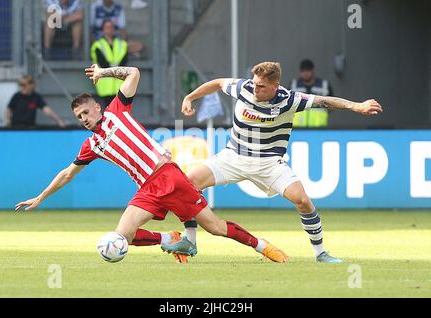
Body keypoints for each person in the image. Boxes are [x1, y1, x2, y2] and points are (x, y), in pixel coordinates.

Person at [14, 64, 289, 265]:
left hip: (168, 176)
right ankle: (169, 239)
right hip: (146, 188)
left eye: (86, 111)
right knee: (124, 236)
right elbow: (67, 174)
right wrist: (40, 197)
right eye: (79, 116)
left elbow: (134, 72)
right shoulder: (91, 145)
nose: (84, 118)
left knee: (215, 228)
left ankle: (262, 247)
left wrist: (104, 72)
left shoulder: (117, 111)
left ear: (97, 107)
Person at [163, 61, 383, 263]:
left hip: (268, 163)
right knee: (188, 183)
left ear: (275, 86)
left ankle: (321, 253)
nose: (255, 89)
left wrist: (356, 106)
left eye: (261, 87)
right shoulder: (244, 88)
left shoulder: (289, 100)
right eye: (255, 84)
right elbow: (219, 83)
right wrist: (190, 97)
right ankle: (189, 240)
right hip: (233, 156)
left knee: (303, 201)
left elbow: (324, 101)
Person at [91, 19, 128, 109]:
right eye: (107, 27)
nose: (109, 29)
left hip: (120, 84)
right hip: (106, 85)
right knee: (109, 110)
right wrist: (116, 68)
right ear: (103, 29)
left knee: (121, 111)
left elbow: (124, 61)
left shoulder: (122, 44)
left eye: (111, 27)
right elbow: (103, 64)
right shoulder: (97, 45)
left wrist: (112, 67)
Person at [290, 59, 333, 127]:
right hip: (298, 127)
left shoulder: (324, 85)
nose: (305, 73)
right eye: (303, 71)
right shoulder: (294, 85)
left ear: (313, 70)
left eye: (308, 70)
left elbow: (332, 104)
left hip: (319, 127)